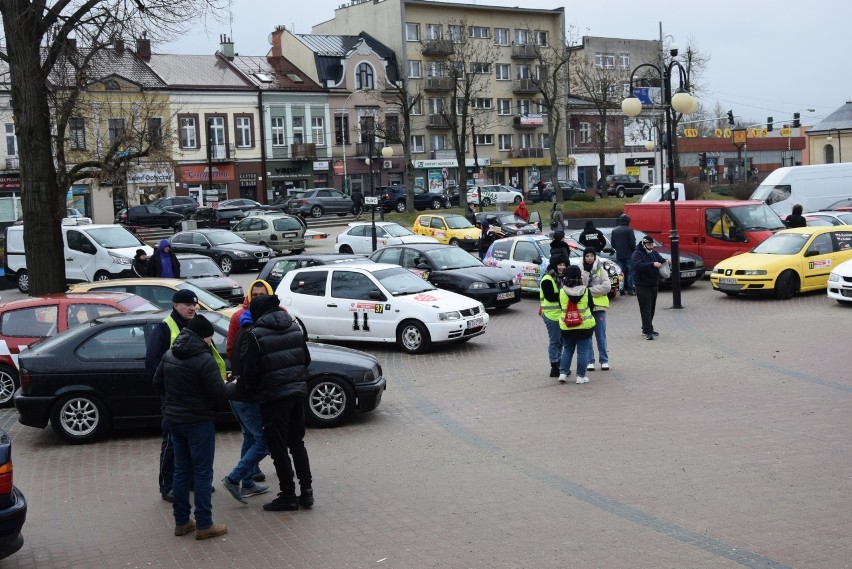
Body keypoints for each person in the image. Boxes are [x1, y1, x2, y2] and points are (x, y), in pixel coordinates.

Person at [153, 314, 236, 540]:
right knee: (202, 473)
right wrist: (232, 385)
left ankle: (182, 522)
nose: (211, 342)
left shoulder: (170, 354)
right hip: (199, 422)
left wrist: (174, 402)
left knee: (181, 470)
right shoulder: (203, 359)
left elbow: (156, 383)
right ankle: (204, 524)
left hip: (175, 421)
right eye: (209, 338)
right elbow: (219, 393)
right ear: (202, 337)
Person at [238, 294, 314, 512]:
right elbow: (306, 360)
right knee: (297, 443)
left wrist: (255, 392)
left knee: (278, 447)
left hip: (273, 399)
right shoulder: (294, 328)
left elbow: (249, 372)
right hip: (297, 394)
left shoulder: (255, 335)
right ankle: (307, 492)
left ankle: (288, 495)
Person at [222, 279, 276, 495]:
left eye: (263, 294)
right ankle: (235, 478)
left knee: (250, 436)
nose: (260, 298)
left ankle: (248, 483)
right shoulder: (251, 330)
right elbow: (246, 361)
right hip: (246, 393)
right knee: (264, 441)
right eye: (256, 295)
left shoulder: (250, 329)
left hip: (239, 391)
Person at [146, 289, 199, 503]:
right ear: (176, 305)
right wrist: (166, 388)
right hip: (173, 397)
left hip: (194, 396)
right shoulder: (165, 327)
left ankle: (193, 481)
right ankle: (167, 485)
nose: (192, 307)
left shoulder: (195, 324)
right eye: (187, 304)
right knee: (171, 441)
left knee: (193, 440)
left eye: (194, 304)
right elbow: (152, 361)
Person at [557, 265, 595, 384]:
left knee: (567, 350)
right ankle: (580, 376)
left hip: (567, 326)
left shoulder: (562, 291)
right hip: (584, 326)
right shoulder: (585, 290)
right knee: (582, 351)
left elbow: (560, 306)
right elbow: (591, 306)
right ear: (579, 276)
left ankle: (563, 373)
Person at [631, 235, 668, 340]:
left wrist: (666, 261)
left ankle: (646, 328)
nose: (651, 247)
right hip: (642, 285)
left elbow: (660, 260)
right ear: (644, 244)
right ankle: (648, 331)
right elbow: (637, 266)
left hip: (653, 284)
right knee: (645, 308)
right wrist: (652, 264)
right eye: (649, 245)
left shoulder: (654, 252)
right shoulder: (637, 254)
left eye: (652, 245)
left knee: (651, 307)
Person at [581, 247, 612, 372]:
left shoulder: (601, 270)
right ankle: (590, 361)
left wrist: (589, 292)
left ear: (595, 257)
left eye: (591, 256)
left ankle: (604, 360)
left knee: (601, 335)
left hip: (599, 307)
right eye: (587, 256)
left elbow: (607, 287)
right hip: (585, 308)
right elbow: (579, 287)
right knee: (587, 335)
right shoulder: (580, 269)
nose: (589, 258)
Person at [539, 254, 568, 378]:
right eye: (559, 265)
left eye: (563, 265)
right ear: (554, 265)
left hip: (561, 315)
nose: (562, 267)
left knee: (561, 341)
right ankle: (554, 366)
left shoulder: (563, 278)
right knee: (555, 341)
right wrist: (566, 294)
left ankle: (561, 364)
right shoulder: (547, 279)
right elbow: (550, 297)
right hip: (551, 315)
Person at [611, 215, 637, 295]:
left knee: (620, 272)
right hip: (629, 254)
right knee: (630, 272)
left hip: (619, 255)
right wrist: (633, 251)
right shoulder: (629, 230)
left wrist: (618, 249)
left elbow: (613, 244)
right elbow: (632, 243)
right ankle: (630, 289)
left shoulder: (615, 230)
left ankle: (621, 289)